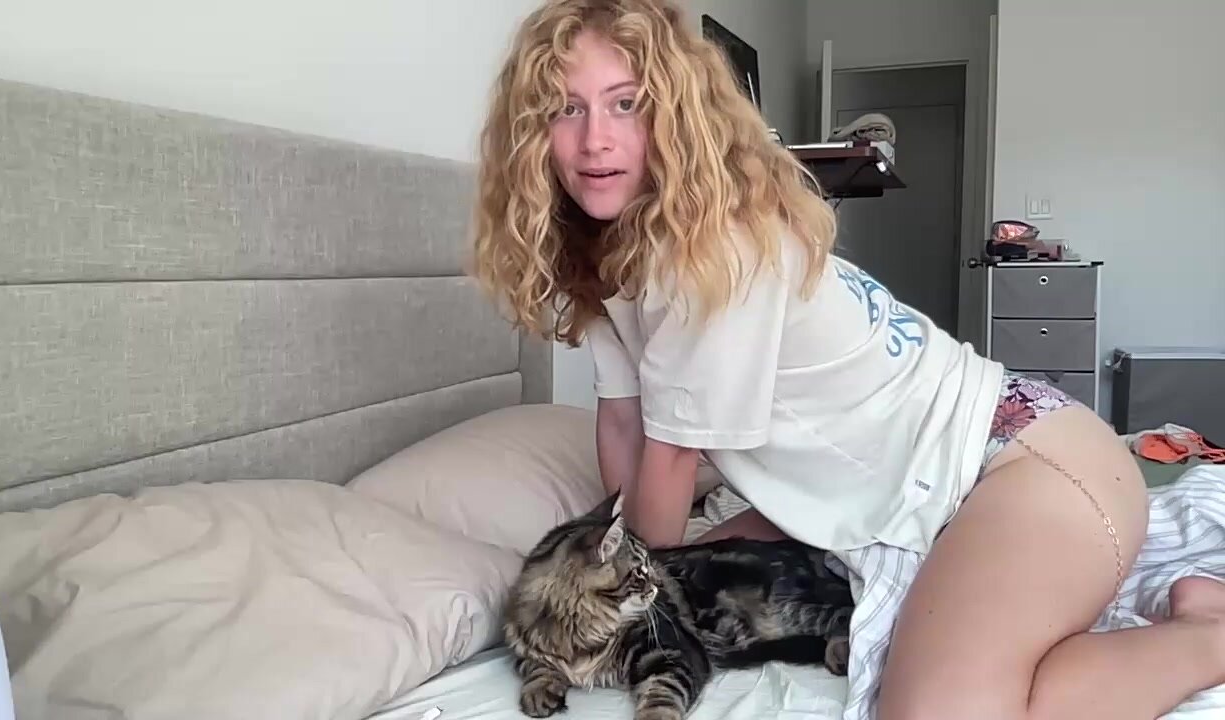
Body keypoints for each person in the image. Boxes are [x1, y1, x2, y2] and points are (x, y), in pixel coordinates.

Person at [469, 1, 1225, 718]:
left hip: (1029, 465)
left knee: (937, 712)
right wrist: (620, 548)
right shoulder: (611, 262)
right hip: (940, 487)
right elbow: (623, 428)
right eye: (566, 108)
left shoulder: (712, 254)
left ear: (675, 117)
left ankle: (1208, 634)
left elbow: (666, 467)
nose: (595, 139)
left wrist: (637, 585)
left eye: (626, 104)